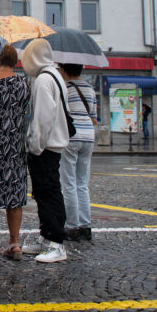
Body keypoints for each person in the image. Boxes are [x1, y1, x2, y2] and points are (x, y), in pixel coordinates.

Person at [21, 39, 71, 263]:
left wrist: (35, 146)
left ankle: (56, 242)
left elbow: (42, 118)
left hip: (46, 146)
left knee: (48, 192)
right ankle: (47, 237)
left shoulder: (43, 80)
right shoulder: (54, 75)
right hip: (52, 144)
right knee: (45, 192)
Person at [0, 44, 30, 260]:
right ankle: (15, 242)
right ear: (16, 62)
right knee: (15, 193)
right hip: (16, 144)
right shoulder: (24, 83)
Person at [59, 63, 96, 243]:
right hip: (89, 135)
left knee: (69, 184)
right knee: (82, 183)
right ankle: (85, 226)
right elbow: (94, 117)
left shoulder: (65, 87)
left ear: (65, 70)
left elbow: (62, 113)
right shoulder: (89, 88)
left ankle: (72, 226)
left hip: (72, 136)